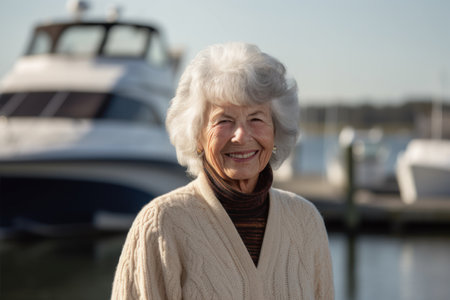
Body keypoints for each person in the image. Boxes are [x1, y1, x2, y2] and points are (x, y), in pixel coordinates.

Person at [112, 42, 334, 299]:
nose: (241, 136)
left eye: (256, 119)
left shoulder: (306, 221)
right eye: (224, 121)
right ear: (197, 136)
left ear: (276, 131)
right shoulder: (161, 224)